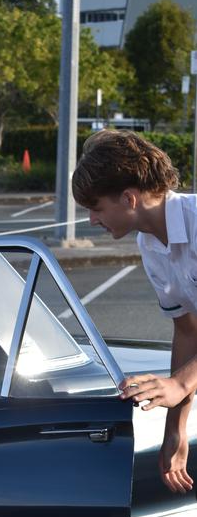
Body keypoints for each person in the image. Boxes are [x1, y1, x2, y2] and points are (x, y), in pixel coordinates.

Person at [72, 129, 197, 494]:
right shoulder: (149, 243)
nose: (93, 220)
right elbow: (189, 331)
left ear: (129, 198)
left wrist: (179, 385)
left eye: (96, 208)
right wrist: (175, 428)